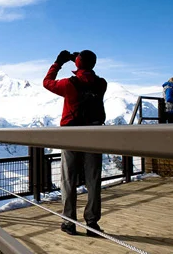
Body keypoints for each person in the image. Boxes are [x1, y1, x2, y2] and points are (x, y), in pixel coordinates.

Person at [43, 49, 107, 237]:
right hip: (95, 134)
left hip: (71, 134)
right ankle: (92, 223)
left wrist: (58, 62)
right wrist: (79, 62)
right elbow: (87, 73)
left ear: (77, 62)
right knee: (93, 179)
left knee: (68, 179)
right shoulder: (102, 84)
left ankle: (69, 222)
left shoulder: (70, 84)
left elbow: (47, 83)